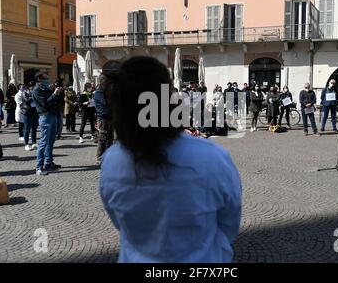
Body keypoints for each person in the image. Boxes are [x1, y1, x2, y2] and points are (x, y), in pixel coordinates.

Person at [100, 56, 242, 263]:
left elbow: (118, 220)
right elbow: (229, 223)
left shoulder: (112, 160)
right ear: (169, 98)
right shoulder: (212, 157)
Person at [32, 73, 62, 176]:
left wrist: (57, 93)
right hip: (45, 117)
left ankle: (49, 163)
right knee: (43, 142)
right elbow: (45, 103)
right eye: (46, 78)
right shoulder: (36, 91)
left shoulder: (47, 89)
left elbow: (56, 101)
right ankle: (39, 167)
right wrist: (54, 94)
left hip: (53, 116)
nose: (48, 80)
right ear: (39, 79)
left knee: (51, 141)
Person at [94, 75, 113, 164]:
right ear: (102, 81)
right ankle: (99, 157)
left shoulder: (107, 92)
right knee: (103, 138)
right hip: (103, 118)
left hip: (110, 117)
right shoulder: (99, 92)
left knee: (110, 138)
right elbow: (105, 102)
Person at [20, 82, 39, 151]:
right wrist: (32, 97)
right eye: (32, 87)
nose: (33, 88)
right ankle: (26, 144)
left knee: (34, 128)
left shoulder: (34, 93)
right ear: (29, 87)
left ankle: (34, 143)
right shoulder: (24, 93)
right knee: (27, 129)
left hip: (34, 112)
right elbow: (26, 101)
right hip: (27, 112)